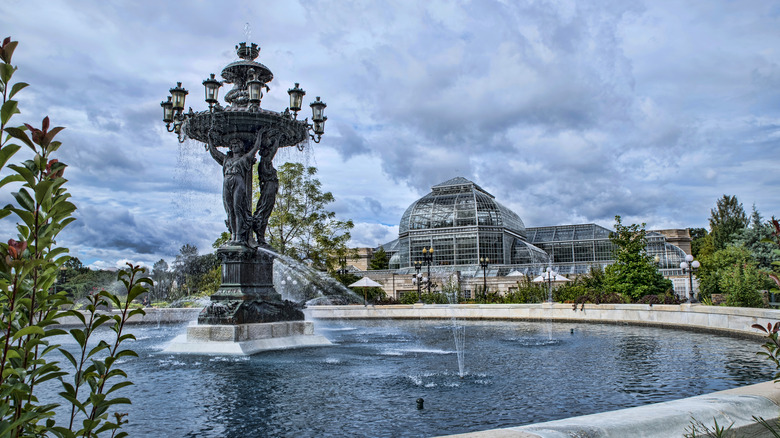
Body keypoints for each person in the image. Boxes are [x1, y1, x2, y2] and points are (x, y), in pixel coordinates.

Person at [207, 129, 266, 245]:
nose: (233, 147)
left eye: (236, 145)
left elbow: (255, 149)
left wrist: (259, 135)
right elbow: (214, 152)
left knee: (237, 209)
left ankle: (239, 236)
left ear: (241, 147)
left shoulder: (244, 159)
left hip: (238, 181)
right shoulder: (226, 159)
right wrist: (208, 139)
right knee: (230, 210)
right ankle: (233, 235)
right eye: (232, 145)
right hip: (227, 181)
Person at [253, 131, 282, 246]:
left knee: (265, 212)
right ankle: (259, 235)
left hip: (270, 190)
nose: (270, 153)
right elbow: (273, 152)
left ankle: (260, 236)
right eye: (268, 151)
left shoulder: (265, 163)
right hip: (268, 190)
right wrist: (277, 140)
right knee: (263, 212)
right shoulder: (264, 162)